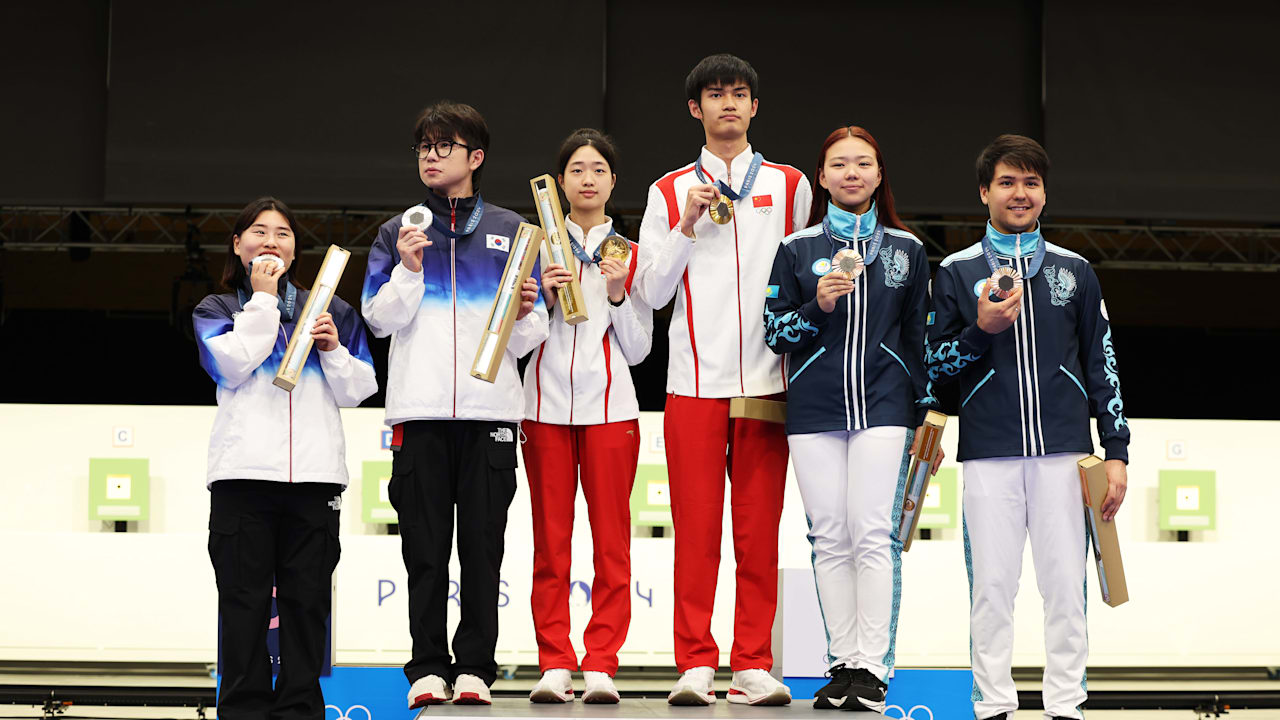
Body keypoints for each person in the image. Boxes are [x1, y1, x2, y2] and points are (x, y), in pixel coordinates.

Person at [925, 134, 1130, 720]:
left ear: (1045, 193)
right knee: (992, 589)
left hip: (1067, 454)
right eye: (1008, 182)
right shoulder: (957, 272)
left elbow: (1103, 364)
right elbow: (934, 367)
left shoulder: (1076, 271)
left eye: (1031, 183)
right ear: (984, 192)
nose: (1020, 193)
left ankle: (1066, 704)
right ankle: (993, 705)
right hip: (989, 454)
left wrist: (1115, 451)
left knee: (1066, 588)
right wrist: (981, 328)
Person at [360, 101, 548, 708]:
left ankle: (475, 668)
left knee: (483, 548)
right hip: (418, 413)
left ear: (476, 157)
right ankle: (426, 669)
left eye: (445, 145)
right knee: (424, 548)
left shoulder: (516, 232)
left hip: (491, 414)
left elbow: (531, 333)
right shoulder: (397, 232)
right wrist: (409, 270)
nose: (432, 155)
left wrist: (523, 313)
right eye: (424, 147)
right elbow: (377, 320)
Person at [637, 53, 811, 706]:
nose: (728, 105)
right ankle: (694, 663)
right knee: (698, 529)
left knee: (759, 530)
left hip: (767, 381)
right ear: (695, 109)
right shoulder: (665, 190)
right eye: (715, 96)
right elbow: (651, 291)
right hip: (692, 384)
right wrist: (685, 222)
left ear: (755, 107)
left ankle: (754, 663)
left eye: (739, 94)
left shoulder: (791, 186)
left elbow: (802, 274)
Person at [763, 126, 940, 712]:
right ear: (822, 176)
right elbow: (775, 332)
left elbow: (920, 339)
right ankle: (841, 662)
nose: (852, 173)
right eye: (839, 164)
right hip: (813, 410)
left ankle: (873, 667)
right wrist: (820, 304)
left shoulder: (907, 251)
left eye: (863, 163)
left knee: (872, 532)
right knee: (827, 536)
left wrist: (925, 418)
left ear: (879, 174)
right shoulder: (795, 249)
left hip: (886, 407)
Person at [194, 196, 377, 720]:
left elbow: (359, 388)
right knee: (244, 604)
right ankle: (243, 711)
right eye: (258, 231)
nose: (271, 241)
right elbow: (230, 366)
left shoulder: (332, 310)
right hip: (242, 479)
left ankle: (300, 709)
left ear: (296, 250)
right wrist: (263, 299)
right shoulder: (217, 308)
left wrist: (334, 349)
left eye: (283, 234)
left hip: (315, 482)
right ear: (238, 245)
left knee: (306, 606)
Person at [522, 128, 653, 705]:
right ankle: (554, 661)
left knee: (611, 542)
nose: (588, 178)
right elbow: (518, 337)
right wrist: (544, 300)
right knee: (550, 542)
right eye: (576, 169)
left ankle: (601, 660)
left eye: (598, 168)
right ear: (560, 182)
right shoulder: (535, 247)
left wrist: (622, 294)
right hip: (543, 409)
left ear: (613, 182)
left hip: (611, 411)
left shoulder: (628, 252)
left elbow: (642, 348)